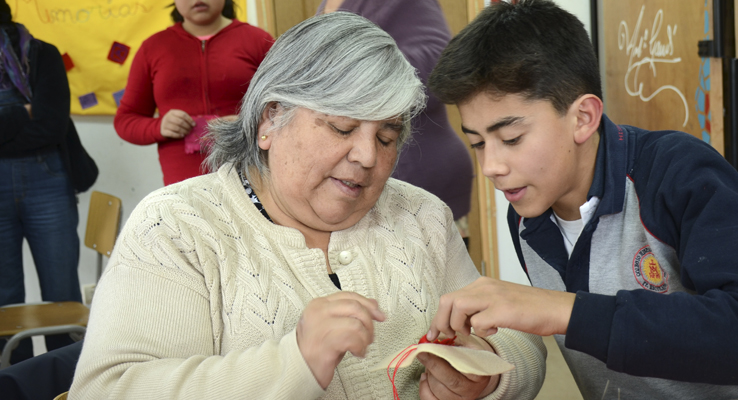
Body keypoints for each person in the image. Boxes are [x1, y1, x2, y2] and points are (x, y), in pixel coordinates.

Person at [71, 12, 545, 400]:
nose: (368, 156)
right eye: (342, 128)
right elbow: (107, 390)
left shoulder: (422, 215)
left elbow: (516, 337)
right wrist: (294, 361)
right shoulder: (177, 227)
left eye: (387, 137)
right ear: (269, 121)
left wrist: (485, 373)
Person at [426, 1, 738, 398]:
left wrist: (564, 310)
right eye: (477, 143)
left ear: (583, 118)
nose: (491, 167)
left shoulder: (676, 172)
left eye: (511, 138)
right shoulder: (527, 213)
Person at [319, 0, 475, 235]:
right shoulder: (328, 4)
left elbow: (441, 64)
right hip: (364, 181)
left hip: (419, 174)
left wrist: (352, 70)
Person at [0, 0, 82, 363]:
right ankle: (12, 381)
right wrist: (23, 113)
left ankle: (65, 379)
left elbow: (51, 125)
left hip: (47, 178)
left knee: (61, 295)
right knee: (3, 298)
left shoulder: (43, 54)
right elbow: (38, 122)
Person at [114, 0, 272, 186]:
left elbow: (287, 110)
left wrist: (247, 124)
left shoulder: (258, 41)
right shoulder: (153, 48)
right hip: (182, 186)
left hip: (252, 175)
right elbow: (126, 121)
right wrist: (159, 126)